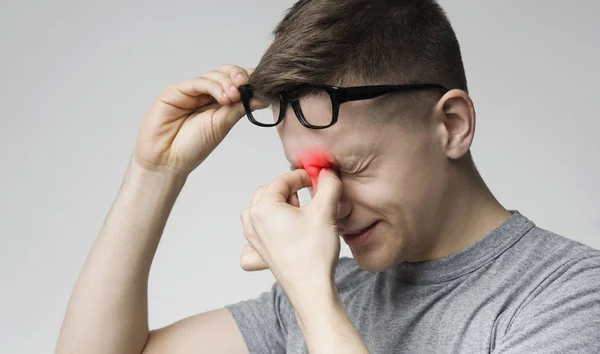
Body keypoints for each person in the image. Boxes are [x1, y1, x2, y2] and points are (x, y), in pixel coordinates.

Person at [56, 1, 600, 353]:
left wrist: (313, 295)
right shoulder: (324, 292)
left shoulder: (571, 298)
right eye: (309, 174)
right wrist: (155, 172)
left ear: (452, 126)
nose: (328, 204)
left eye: (353, 167)